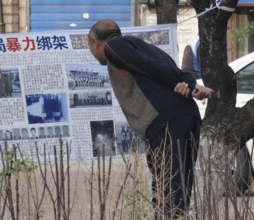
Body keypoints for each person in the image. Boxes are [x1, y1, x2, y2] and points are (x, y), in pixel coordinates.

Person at [88, 19, 213, 219]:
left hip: (166, 123)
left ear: (95, 43)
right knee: (176, 192)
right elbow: (174, 71)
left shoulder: (114, 46)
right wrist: (187, 84)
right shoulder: (149, 48)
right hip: (185, 118)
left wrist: (189, 86)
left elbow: (149, 67)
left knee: (169, 194)